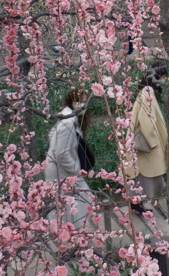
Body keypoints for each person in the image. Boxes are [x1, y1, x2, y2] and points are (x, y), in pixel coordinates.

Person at [44, 88, 103, 231]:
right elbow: (62, 154)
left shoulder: (67, 117)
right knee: (74, 204)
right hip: (62, 171)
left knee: (76, 202)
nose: (81, 106)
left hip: (63, 169)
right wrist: (76, 170)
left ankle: (72, 235)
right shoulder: (68, 122)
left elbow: (53, 135)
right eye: (79, 102)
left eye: (83, 102)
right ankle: (71, 237)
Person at [123, 72, 169, 213]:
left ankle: (136, 204)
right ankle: (136, 204)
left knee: (140, 175)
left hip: (141, 142)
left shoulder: (145, 92)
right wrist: (153, 141)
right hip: (146, 143)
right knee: (144, 174)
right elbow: (146, 121)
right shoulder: (147, 94)